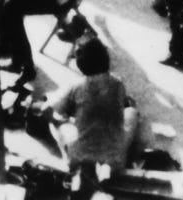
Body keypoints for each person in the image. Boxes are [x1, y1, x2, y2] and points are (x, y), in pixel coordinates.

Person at [47, 37, 140, 199]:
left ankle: (69, 160)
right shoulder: (118, 83)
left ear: (81, 62)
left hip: (80, 155)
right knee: (132, 113)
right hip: (114, 157)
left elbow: (49, 111)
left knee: (57, 124)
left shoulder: (76, 86)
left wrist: (63, 120)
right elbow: (122, 105)